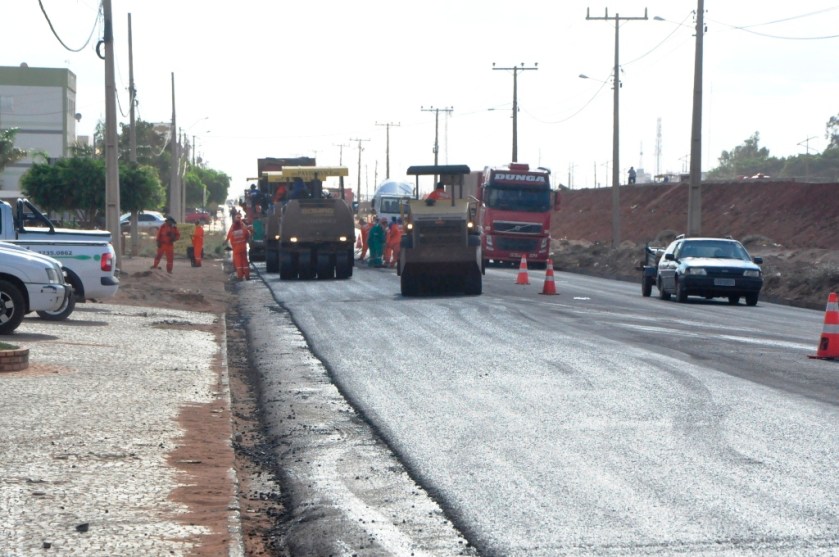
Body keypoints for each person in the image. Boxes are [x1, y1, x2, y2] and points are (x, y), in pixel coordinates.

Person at [226, 212, 251, 280]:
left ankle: (240, 277)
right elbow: (248, 235)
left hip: (236, 249)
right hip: (243, 247)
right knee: (245, 262)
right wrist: (245, 241)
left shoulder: (233, 230)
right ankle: (247, 276)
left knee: (238, 263)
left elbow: (231, 238)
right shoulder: (243, 228)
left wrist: (227, 242)